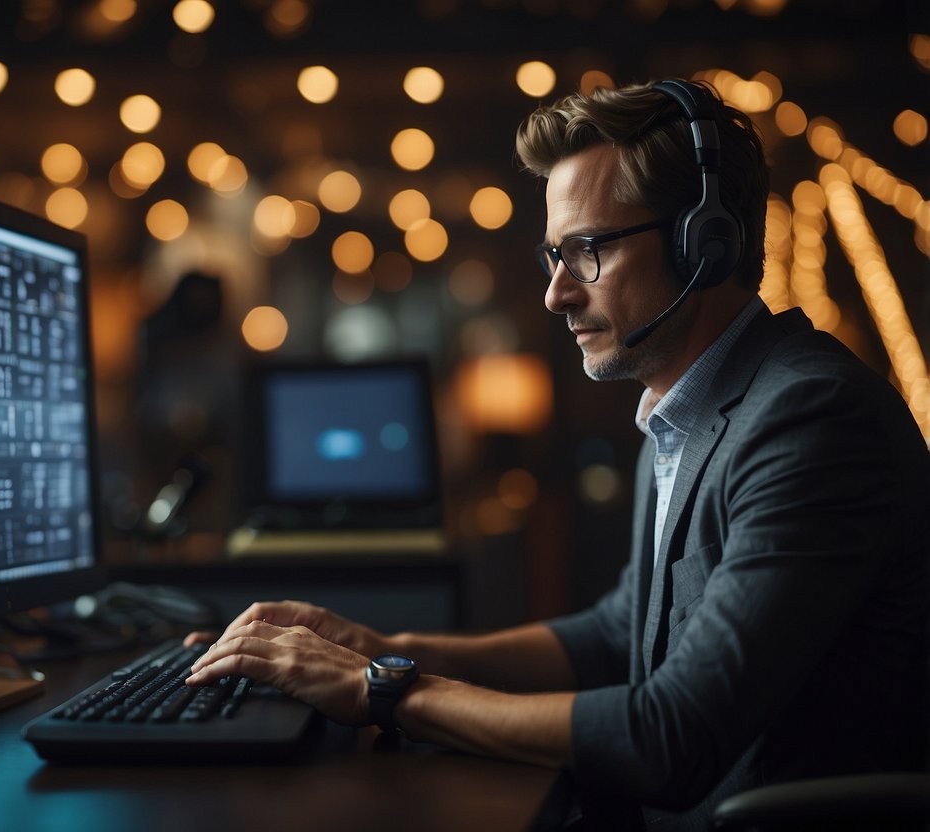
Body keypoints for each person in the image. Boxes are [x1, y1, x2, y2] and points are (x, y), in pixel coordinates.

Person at [184, 79, 930, 828]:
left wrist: (382, 689)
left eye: (585, 251)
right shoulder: (690, 412)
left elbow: (672, 737)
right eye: (552, 254)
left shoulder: (811, 420)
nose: (555, 294)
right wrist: (393, 647)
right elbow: (616, 635)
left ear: (702, 245)